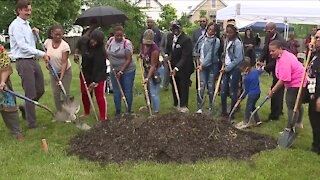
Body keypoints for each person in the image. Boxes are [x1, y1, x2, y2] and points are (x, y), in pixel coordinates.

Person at [8, 0, 50, 129]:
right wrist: (42, 54)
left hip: (33, 60)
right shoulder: (15, 25)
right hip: (23, 61)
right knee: (30, 93)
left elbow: (29, 43)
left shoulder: (26, 24)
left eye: (30, 10)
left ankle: (26, 107)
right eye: (27, 10)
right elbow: (22, 46)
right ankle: (32, 123)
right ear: (19, 10)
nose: (29, 12)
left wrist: (33, 33)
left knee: (40, 89)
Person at [267, 40, 306, 133]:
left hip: (297, 82)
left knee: (291, 105)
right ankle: (298, 123)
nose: (271, 53)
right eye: (270, 51)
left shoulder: (285, 59)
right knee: (297, 103)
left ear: (280, 49)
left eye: (273, 51)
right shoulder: (283, 55)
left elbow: (284, 79)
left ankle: (290, 128)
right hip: (299, 80)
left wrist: (272, 91)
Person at [77, 29, 107, 121]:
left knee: (99, 95)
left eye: (97, 41)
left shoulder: (101, 51)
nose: (94, 42)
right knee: (85, 93)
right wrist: (76, 53)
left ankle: (103, 117)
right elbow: (78, 45)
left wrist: (95, 82)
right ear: (90, 38)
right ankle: (86, 112)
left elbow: (99, 68)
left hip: (98, 74)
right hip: (85, 72)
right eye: (93, 40)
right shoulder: (84, 41)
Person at [259, 22, 287, 121]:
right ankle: (279, 110)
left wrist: (265, 67)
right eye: (265, 31)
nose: (266, 33)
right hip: (273, 65)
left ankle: (274, 115)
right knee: (277, 90)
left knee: (276, 90)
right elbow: (265, 49)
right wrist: (260, 59)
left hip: (280, 67)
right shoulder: (268, 37)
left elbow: (278, 60)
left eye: (268, 31)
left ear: (274, 30)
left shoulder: (281, 41)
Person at [106, 25, 136, 115]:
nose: (119, 37)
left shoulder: (126, 43)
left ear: (123, 34)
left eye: (120, 35)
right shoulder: (111, 40)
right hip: (114, 70)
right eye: (117, 35)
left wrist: (121, 71)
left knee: (127, 90)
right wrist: (107, 54)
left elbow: (129, 59)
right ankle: (118, 111)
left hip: (128, 70)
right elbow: (106, 48)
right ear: (114, 34)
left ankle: (128, 110)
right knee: (116, 90)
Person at [165, 21, 194, 113]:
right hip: (173, 65)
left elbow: (185, 56)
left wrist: (177, 68)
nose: (175, 31)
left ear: (180, 28)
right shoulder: (170, 37)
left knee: (183, 85)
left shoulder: (186, 40)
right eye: (173, 29)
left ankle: (183, 105)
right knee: (174, 84)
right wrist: (166, 55)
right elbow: (168, 49)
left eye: (177, 28)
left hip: (184, 67)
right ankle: (176, 103)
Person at [44, 25, 72, 116]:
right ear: (52, 34)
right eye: (56, 34)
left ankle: (69, 113)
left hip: (65, 71)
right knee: (56, 93)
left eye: (60, 35)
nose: (58, 36)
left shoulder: (65, 46)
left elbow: (64, 63)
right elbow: (46, 54)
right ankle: (60, 112)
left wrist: (61, 78)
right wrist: (46, 62)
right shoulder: (47, 42)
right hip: (53, 72)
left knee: (65, 92)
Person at [193, 22, 220, 113]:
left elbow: (210, 56)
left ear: (215, 32)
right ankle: (199, 107)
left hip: (212, 66)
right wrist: (196, 55)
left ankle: (211, 107)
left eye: (212, 30)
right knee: (201, 86)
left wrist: (202, 65)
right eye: (209, 29)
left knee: (211, 87)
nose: (210, 31)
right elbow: (196, 48)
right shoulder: (202, 38)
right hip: (201, 66)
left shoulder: (216, 41)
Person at [220, 24, 244, 119]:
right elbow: (225, 54)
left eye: (230, 32)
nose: (228, 34)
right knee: (222, 91)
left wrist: (227, 68)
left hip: (234, 69)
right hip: (225, 68)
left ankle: (232, 113)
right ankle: (224, 111)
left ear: (235, 33)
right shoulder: (226, 41)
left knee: (233, 91)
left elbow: (238, 59)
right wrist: (223, 62)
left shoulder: (237, 43)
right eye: (227, 32)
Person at [0, 44, 23, 140]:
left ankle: (16, 131)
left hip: (1, 81)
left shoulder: (0, 50)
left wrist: (2, 81)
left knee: (9, 106)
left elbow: (6, 67)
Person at [236, 60, 263, 129]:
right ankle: (258, 120)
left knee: (248, 108)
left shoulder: (246, 78)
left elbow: (246, 90)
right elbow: (261, 71)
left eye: (242, 70)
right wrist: (260, 66)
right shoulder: (255, 72)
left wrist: (241, 98)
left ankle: (246, 122)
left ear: (246, 69)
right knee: (252, 106)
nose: (242, 72)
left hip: (252, 94)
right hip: (258, 93)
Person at [139, 29, 161, 113]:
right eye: (146, 42)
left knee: (153, 92)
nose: (147, 44)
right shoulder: (143, 44)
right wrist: (140, 55)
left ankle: (156, 111)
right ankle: (149, 107)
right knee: (146, 91)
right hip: (146, 69)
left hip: (155, 71)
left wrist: (148, 78)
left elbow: (153, 65)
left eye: (149, 42)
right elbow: (143, 52)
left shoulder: (155, 50)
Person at [306, 30, 320, 154]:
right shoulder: (316, 53)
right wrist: (310, 52)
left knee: (317, 120)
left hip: (318, 94)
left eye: (319, 38)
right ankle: (316, 144)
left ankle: (317, 147)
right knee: (313, 118)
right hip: (313, 91)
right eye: (316, 37)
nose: (316, 40)